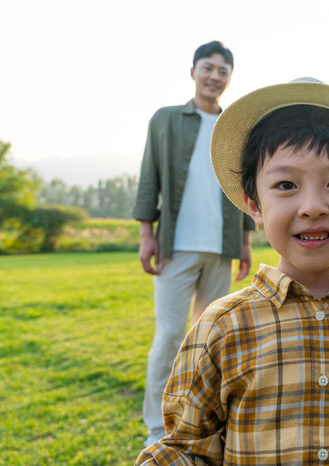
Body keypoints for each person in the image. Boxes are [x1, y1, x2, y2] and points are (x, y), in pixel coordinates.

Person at [134, 77, 329, 465]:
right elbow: (187, 449)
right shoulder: (219, 328)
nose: (312, 206)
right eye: (286, 184)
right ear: (254, 204)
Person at [133, 40, 255, 447]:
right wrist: (146, 232)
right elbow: (149, 175)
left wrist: (244, 241)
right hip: (176, 246)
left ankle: (201, 422)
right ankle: (155, 428)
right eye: (208, 67)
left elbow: (243, 188)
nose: (215, 76)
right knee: (169, 335)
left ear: (229, 79)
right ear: (193, 72)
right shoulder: (165, 120)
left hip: (221, 248)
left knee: (210, 340)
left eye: (223, 70)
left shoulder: (235, 128)